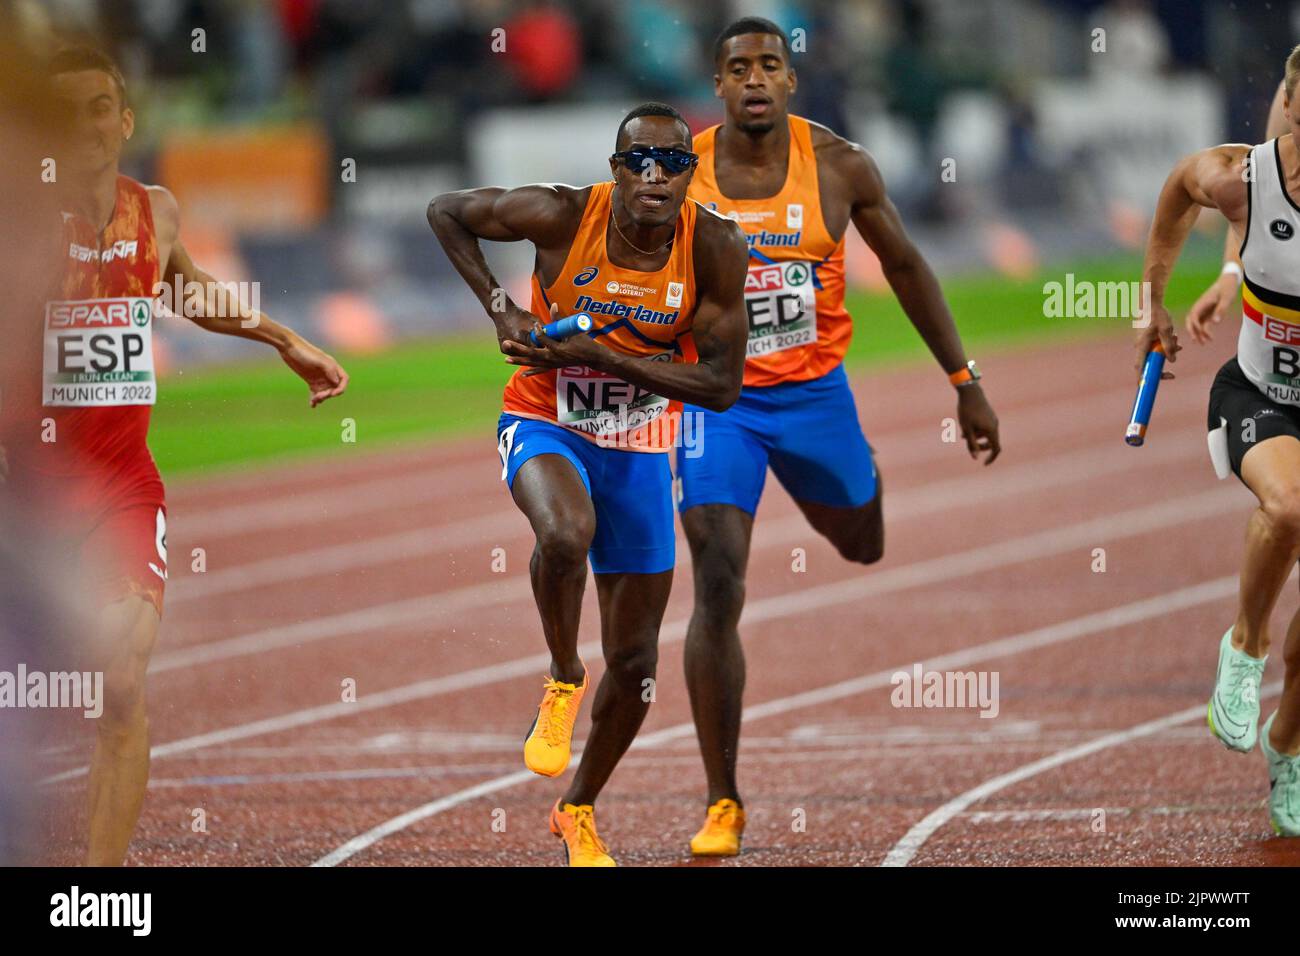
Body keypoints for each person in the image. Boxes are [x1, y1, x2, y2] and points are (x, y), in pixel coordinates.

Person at [2, 45, 349, 865]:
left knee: (120, 686)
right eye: (67, 112)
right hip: (26, 493)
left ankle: (96, 889)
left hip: (121, 485)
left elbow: (187, 287)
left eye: (100, 107)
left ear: (125, 120)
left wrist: (285, 339)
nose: (86, 126)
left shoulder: (153, 212)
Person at [676, 17, 1002, 857]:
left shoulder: (840, 166)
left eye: (769, 65)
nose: (754, 79)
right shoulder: (682, 175)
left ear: (791, 80)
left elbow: (906, 267)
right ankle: (722, 798)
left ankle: (862, 479)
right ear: (718, 85)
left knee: (863, 542)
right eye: (738, 68)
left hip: (815, 397)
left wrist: (964, 381)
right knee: (717, 578)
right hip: (718, 404)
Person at [428, 102, 749, 865]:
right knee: (565, 533)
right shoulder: (563, 216)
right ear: (615, 169)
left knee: (636, 665)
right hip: (546, 418)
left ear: (690, 175)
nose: (654, 175)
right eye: (639, 160)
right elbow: (446, 211)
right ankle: (564, 675)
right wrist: (502, 309)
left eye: (672, 163)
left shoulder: (715, 246)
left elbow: (721, 386)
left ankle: (577, 810)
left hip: (638, 445)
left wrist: (607, 359)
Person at [1136, 45, 1300, 837]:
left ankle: (1288, 747)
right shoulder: (1243, 178)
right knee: (1290, 506)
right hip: (1261, 395)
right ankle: (1245, 644)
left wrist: (1230, 277)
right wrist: (1153, 299)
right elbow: (1178, 186)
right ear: (1290, 103)